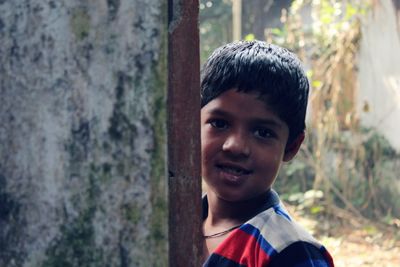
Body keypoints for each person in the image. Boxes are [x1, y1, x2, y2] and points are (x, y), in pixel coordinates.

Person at [200, 40, 334, 266]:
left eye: (263, 132)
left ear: (292, 146)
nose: (235, 146)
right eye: (220, 124)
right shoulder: (173, 221)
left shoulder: (290, 252)